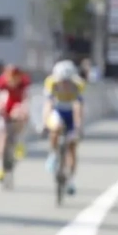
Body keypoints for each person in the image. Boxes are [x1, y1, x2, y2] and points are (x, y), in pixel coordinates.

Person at [43, 60, 84, 194]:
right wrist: (45, 122)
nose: (65, 84)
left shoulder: (78, 86)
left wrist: (78, 126)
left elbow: (78, 107)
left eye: (67, 81)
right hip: (58, 111)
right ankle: (53, 154)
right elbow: (48, 105)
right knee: (55, 127)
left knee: (72, 147)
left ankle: (71, 180)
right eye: (62, 81)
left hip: (71, 113)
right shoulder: (51, 84)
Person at [0, 64, 31, 180]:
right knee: (2, 137)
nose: (13, 80)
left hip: (17, 107)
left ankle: (20, 142)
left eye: (16, 77)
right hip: (5, 108)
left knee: (20, 116)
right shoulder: (2, 83)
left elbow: (25, 98)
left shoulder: (23, 83)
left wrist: (24, 110)